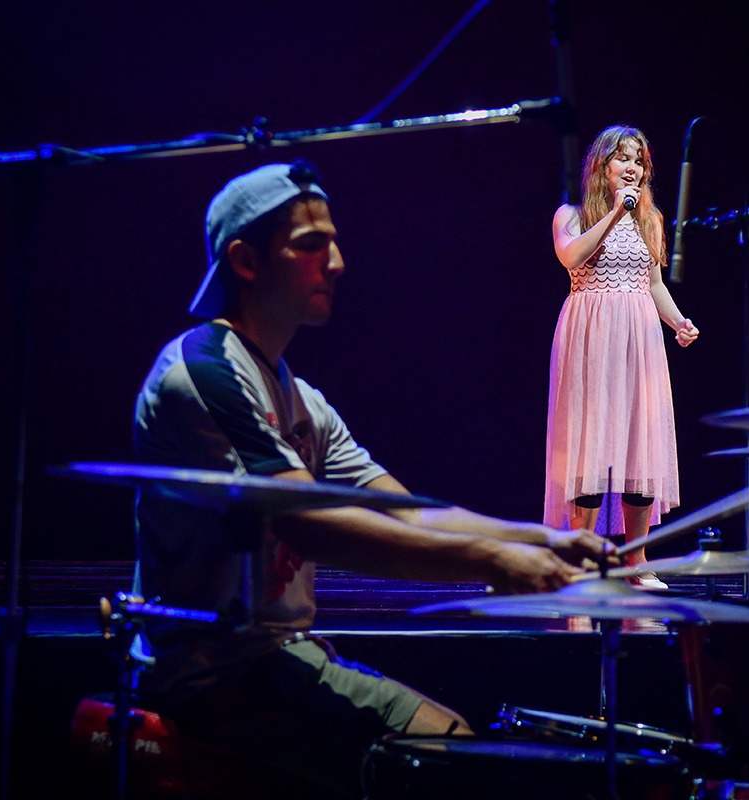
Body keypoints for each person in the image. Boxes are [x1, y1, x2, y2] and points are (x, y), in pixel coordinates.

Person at [129, 159, 616, 799]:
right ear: (245, 261)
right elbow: (309, 524)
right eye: (311, 245)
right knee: (443, 754)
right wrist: (492, 562)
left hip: (273, 661)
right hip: (213, 679)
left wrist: (543, 539)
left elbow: (408, 512)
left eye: (333, 243)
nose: (337, 263)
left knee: (454, 749)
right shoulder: (204, 371)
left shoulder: (299, 398)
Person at [543, 124, 700, 591]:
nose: (631, 168)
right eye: (622, 158)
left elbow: (653, 284)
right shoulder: (571, 214)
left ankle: (636, 560)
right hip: (590, 336)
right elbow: (571, 257)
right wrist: (614, 214)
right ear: (601, 165)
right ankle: (585, 559)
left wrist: (678, 322)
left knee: (640, 442)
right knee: (589, 442)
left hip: (639, 335)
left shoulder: (651, 220)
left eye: (638, 161)